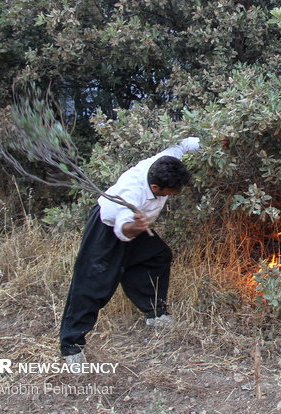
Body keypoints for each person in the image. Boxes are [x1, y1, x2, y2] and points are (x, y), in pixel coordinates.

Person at [59, 137, 200, 363]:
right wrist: (135, 227)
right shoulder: (129, 194)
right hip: (107, 231)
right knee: (93, 285)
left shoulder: (164, 162)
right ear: (156, 188)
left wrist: (213, 141)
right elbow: (122, 228)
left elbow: (184, 145)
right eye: (171, 192)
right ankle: (71, 346)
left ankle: (155, 312)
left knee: (157, 255)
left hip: (135, 226)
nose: (175, 194)